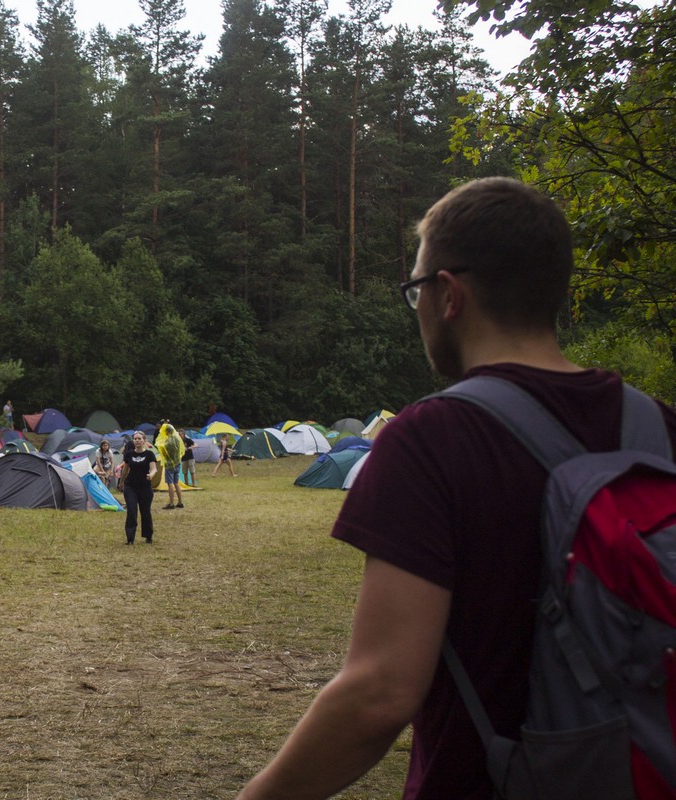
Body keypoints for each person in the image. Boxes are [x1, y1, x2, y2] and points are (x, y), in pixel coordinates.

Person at [236, 177, 676, 800]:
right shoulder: (659, 427)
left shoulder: (430, 439)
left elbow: (379, 695)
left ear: (448, 294)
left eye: (414, 288)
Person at [120, 431, 158, 544]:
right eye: (135, 439)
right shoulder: (129, 455)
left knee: (145, 511)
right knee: (131, 510)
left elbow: (154, 468)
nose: (137, 440)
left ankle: (148, 535)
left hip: (145, 487)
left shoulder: (149, 454)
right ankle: (130, 538)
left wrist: (151, 475)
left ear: (144, 441)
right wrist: (121, 482)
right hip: (130, 487)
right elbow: (125, 470)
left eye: (139, 439)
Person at [155, 421, 185, 509]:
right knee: (176, 483)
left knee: (170, 483)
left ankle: (171, 503)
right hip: (177, 463)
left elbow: (164, 452)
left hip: (169, 464)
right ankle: (180, 502)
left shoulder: (168, 441)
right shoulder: (177, 439)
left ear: (167, 432)